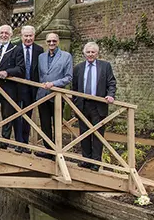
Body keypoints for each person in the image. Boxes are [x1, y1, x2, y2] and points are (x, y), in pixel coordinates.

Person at [72, 42, 117, 170]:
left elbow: (111, 82)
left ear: (97, 53)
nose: (90, 54)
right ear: (84, 53)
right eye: (88, 52)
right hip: (83, 105)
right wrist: (75, 102)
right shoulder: (78, 68)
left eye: (93, 52)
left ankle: (96, 162)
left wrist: (111, 95)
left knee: (97, 134)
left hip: (99, 105)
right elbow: (74, 87)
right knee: (84, 133)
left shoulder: (105, 66)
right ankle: (86, 160)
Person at [0, 25, 25, 151]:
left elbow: (20, 68)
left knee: (7, 115)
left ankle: (4, 141)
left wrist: (7, 72)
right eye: (1, 33)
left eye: (6, 33)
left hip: (8, 87)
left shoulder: (16, 49)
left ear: (11, 35)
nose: (4, 35)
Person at [36, 32, 73, 158]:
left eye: (54, 41)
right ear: (46, 42)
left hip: (57, 95)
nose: (51, 43)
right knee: (45, 124)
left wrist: (54, 83)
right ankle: (48, 150)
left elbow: (68, 77)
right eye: (49, 41)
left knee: (57, 124)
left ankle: (57, 151)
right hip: (42, 95)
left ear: (58, 42)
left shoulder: (66, 56)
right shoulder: (41, 57)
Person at [18, 25, 44, 147]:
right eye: (26, 36)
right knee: (16, 114)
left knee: (28, 116)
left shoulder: (39, 50)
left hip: (32, 87)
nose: (28, 38)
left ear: (34, 36)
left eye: (30, 36)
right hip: (18, 87)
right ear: (21, 36)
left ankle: (25, 142)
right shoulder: (15, 48)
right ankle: (17, 141)